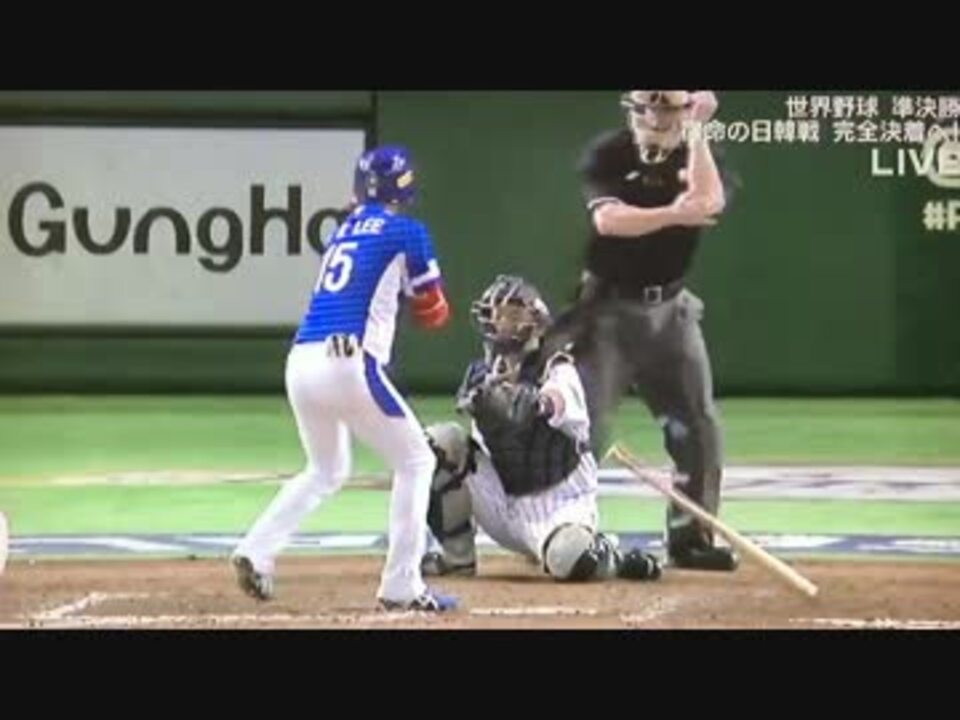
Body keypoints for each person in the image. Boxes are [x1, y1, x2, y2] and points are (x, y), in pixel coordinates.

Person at [230, 144, 458, 612]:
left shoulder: (341, 233)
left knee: (326, 470)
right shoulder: (408, 231)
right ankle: (401, 585)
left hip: (301, 362)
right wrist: (426, 306)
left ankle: (256, 549)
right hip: (348, 362)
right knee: (416, 462)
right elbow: (434, 309)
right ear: (405, 188)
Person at [544, 90, 740, 572]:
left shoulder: (701, 153)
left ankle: (691, 538)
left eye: (667, 108)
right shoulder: (609, 153)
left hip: (671, 310)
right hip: (606, 311)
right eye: (645, 108)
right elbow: (609, 221)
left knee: (697, 426)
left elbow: (710, 200)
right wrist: (676, 213)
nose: (654, 118)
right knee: (582, 427)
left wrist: (697, 130)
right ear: (631, 109)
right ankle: (558, 533)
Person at [420, 274, 662, 583]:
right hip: (502, 500)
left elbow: (557, 403)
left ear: (534, 324)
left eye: (511, 315)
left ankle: (614, 557)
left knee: (570, 558)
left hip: (558, 503)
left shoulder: (557, 367)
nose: (500, 323)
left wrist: (531, 403)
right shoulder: (479, 376)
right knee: (437, 443)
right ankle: (457, 558)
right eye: (495, 315)